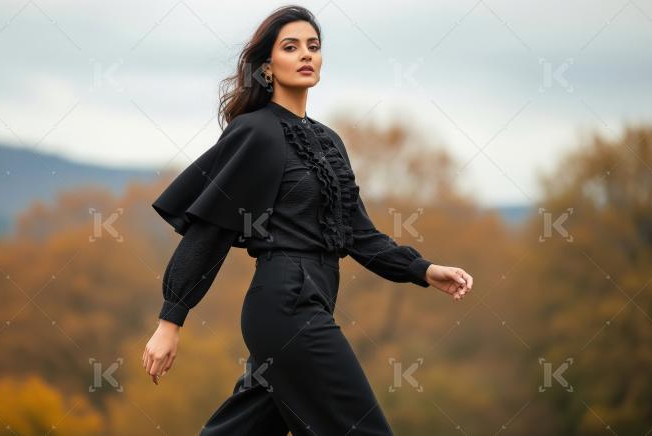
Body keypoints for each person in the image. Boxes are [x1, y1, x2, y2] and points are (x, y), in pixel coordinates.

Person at [143, 5, 473, 435]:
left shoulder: (328, 140)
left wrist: (423, 269)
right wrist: (171, 321)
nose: (306, 55)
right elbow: (211, 229)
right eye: (291, 47)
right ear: (267, 66)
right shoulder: (256, 132)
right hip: (285, 304)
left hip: (313, 299)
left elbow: (359, 235)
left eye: (313, 47)